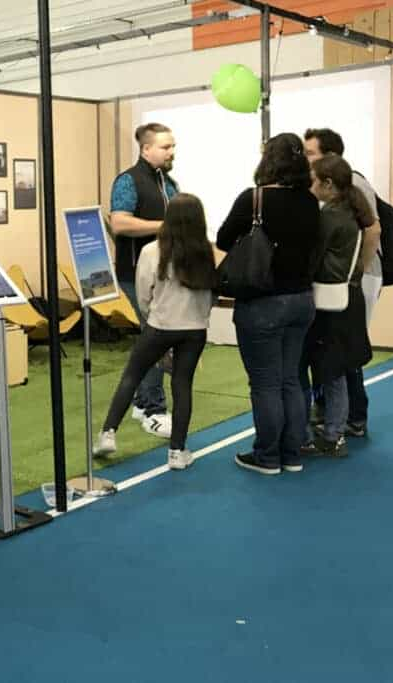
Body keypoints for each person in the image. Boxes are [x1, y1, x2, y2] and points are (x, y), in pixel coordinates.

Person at [216, 133, 321, 476]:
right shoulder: (309, 200)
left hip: (262, 302)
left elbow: (223, 238)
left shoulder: (254, 199)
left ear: (267, 160)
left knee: (264, 383)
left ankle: (267, 457)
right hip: (302, 300)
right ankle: (292, 454)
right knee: (291, 378)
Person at [94, 194, 216, 469]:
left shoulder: (152, 251)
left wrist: (152, 318)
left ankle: (108, 434)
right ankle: (177, 452)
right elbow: (211, 294)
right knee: (182, 384)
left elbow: (143, 294)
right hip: (195, 329)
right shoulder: (205, 251)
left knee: (132, 375)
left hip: (160, 326)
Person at [303, 129, 381, 437]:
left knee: (332, 369)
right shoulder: (351, 207)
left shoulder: (332, 217)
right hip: (349, 293)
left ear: (328, 182)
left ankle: (334, 429)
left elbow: (314, 257)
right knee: (342, 362)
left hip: (334, 298)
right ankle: (342, 423)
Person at [108, 122, 179, 438]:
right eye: (165, 147)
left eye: (173, 146)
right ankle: (151, 408)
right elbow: (119, 223)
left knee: (157, 338)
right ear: (146, 148)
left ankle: (141, 400)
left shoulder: (170, 183)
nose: (171, 151)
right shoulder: (128, 181)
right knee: (155, 338)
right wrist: (162, 226)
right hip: (134, 273)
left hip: (165, 275)